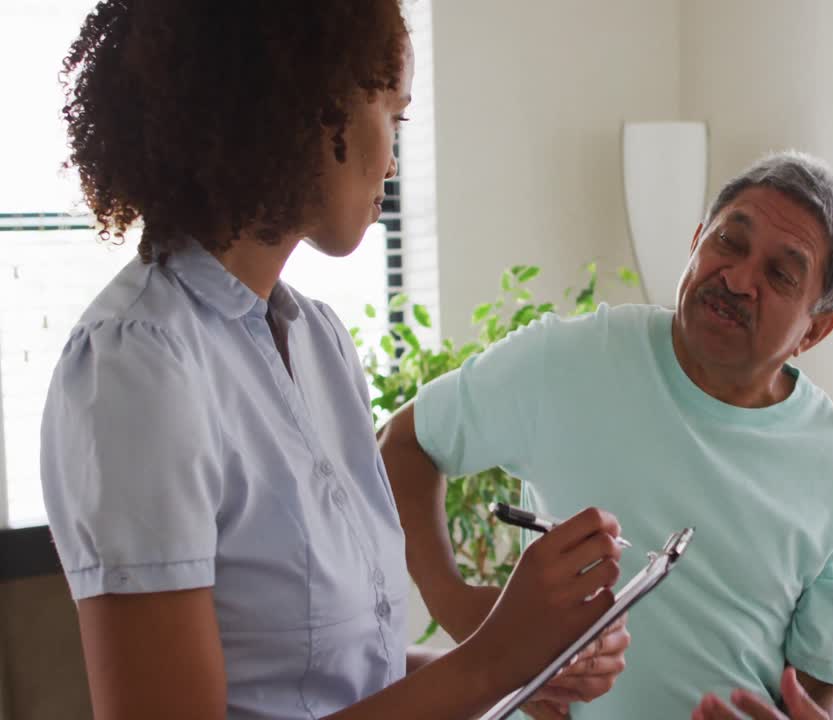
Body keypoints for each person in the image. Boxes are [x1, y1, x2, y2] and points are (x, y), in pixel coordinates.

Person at [39, 2, 628, 718]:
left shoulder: (317, 342)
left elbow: (339, 682)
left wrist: (520, 668)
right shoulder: (138, 365)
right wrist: (491, 658)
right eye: (394, 115)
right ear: (306, 108)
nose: (392, 157)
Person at [380, 151, 833, 719]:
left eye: (779, 274)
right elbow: (402, 443)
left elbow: (824, 690)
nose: (740, 279)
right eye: (729, 242)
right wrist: (461, 608)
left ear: (813, 331)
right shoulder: (569, 360)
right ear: (696, 242)